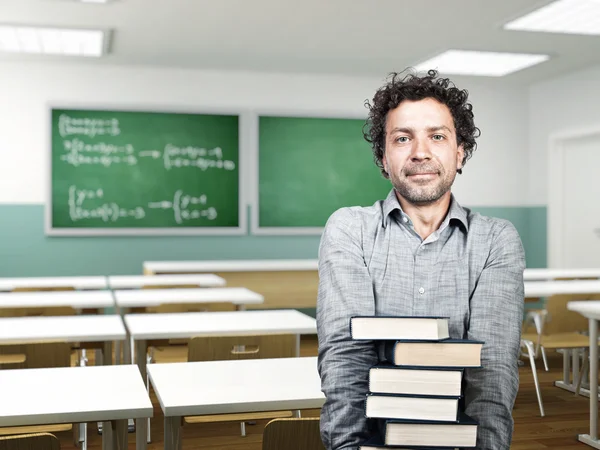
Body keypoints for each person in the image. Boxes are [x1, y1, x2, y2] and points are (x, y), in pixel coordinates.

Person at [316, 69, 525, 450]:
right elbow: (346, 359)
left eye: (437, 136)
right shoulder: (349, 230)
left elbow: (492, 372)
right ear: (383, 157)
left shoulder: (497, 240)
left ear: (459, 152)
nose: (420, 152)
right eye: (402, 138)